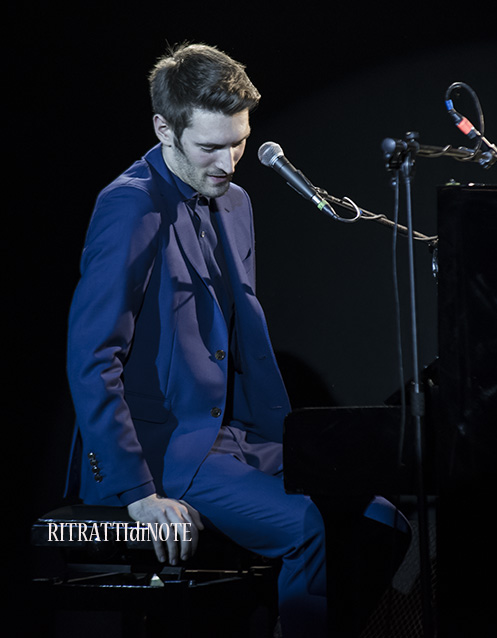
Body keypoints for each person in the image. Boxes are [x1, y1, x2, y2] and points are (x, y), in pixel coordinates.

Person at [65, 42, 409, 637]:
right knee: (308, 527)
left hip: (236, 439)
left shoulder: (237, 202)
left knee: (383, 520)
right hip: (164, 450)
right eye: (210, 147)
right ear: (164, 130)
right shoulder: (129, 206)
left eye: (239, 142)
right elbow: (92, 356)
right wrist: (136, 492)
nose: (229, 161)